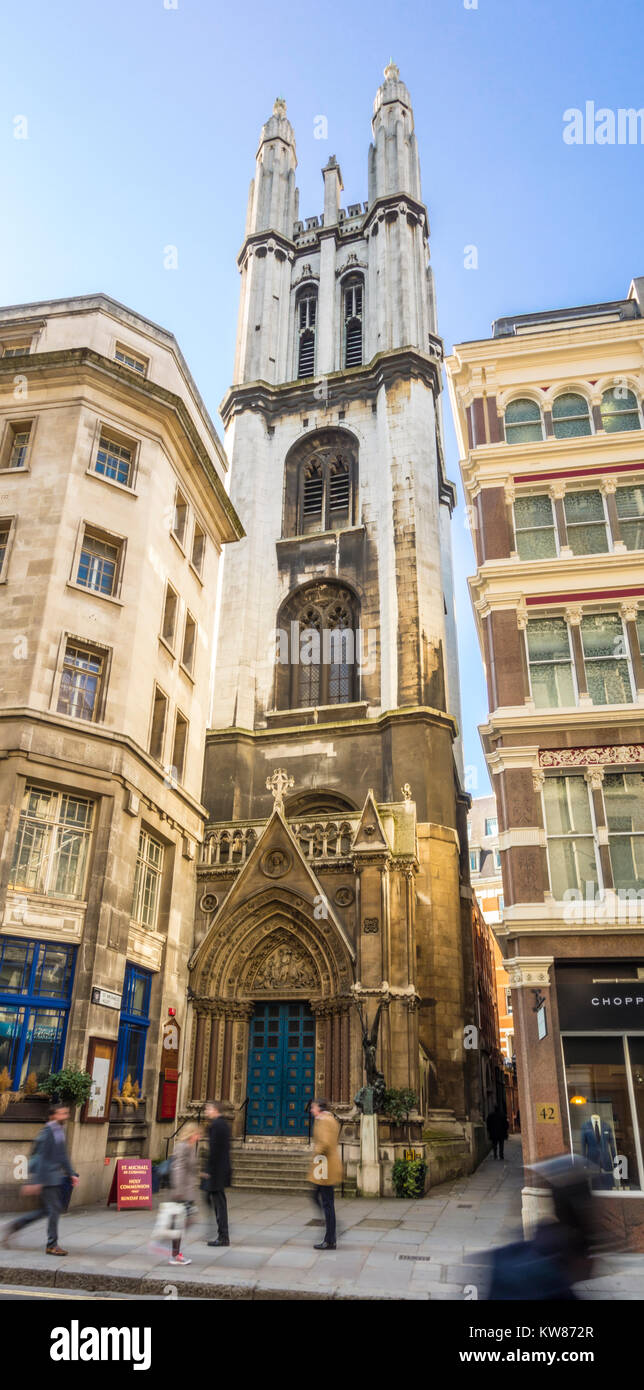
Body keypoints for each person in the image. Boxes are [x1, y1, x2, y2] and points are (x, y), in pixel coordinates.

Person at [1, 1102, 79, 1255]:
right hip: (46, 1178)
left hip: (54, 1177)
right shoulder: (46, 1133)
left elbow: (62, 1156)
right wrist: (35, 1181)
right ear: (53, 1115)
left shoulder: (59, 1131)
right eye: (62, 1113)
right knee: (54, 1210)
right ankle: (52, 1245)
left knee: (46, 1210)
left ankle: (15, 1225)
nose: (65, 1116)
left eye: (66, 1113)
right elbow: (39, 1157)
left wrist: (71, 1173)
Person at [309, 1098, 342, 1251]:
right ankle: (331, 1230)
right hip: (323, 1167)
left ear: (319, 1108)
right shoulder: (329, 1119)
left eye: (313, 1107)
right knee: (318, 1198)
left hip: (324, 1168)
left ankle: (330, 1238)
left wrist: (315, 1151)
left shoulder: (325, 1121)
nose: (311, 1110)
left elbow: (326, 1143)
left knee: (327, 1203)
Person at [167, 1124, 202, 1265]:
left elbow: (189, 1168)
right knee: (183, 1222)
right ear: (190, 1134)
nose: (199, 1137)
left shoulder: (190, 1147)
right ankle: (175, 1255)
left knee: (185, 1221)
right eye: (197, 1134)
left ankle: (175, 1253)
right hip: (182, 1192)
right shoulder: (183, 1147)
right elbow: (179, 1168)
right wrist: (179, 1190)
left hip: (187, 1191)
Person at [204, 1100, 231, 1247]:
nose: (206, 1111)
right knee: (216, 1202)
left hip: (216, 1171)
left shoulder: (216, 1125)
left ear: (215, 1110)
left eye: (208, 1108)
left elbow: (214, 1151)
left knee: (219, 1204)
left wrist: (208, 1170)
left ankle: (223, 1236)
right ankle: (222, 1234)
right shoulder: (224, 1124)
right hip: (222, 1170)